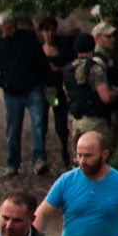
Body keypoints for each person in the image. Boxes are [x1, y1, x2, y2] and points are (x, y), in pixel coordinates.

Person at [0, 13, 51, 176]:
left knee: (38, 124)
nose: (11, 30)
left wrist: (47, 81)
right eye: (7, 27)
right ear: (1, 27)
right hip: (12, 92)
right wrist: (4, 83)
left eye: (12, 26)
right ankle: (12, 162)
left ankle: (39, 159)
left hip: (33, 87)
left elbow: (41, 60)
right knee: (13, 128)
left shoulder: (28, 38)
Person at [65, 26, 118, 150]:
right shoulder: (95, 68)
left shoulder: (68, 69)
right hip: (95, 122)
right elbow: (106, 97)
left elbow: (67, 93)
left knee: (80, 157)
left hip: (76, 121)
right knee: (99, 155)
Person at [38, 16, 75, 170]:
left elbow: (71, 65)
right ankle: (41, 155)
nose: (50, 34)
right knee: (41, 122)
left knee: (60, 122)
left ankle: (64, 149)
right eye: (47, 30)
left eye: (52, 30)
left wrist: (59, 70)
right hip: (43, 89)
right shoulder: (38, 49)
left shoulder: (63, 48)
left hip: (57, 89)